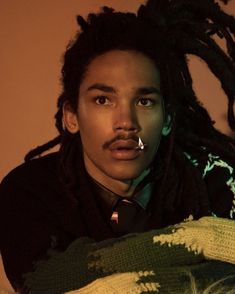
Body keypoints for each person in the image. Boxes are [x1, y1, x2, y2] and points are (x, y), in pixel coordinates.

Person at [0, 0, 235, 292]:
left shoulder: (217, 180)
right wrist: (198, 240)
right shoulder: (28, 192)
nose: (126, 122)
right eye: (103, 100)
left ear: (167, 118)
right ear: (71, 116)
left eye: (144, 101)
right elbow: (43, 281)